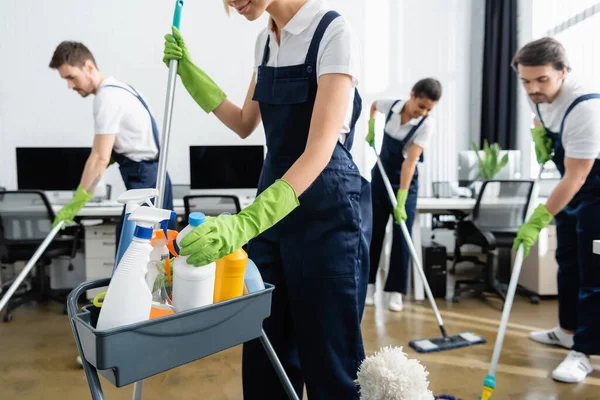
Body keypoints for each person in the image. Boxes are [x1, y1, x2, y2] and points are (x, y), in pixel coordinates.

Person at [161, 0, 371, 398]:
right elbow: (244, 123)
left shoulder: (332, 32)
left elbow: (320, 147)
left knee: (329, 354)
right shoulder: (264, 41)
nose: (233, 3)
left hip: (325, 209)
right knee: (265, 345)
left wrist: (246, 222)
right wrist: (191, 73)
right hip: (272, 210)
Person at [49, 41, 175, 366]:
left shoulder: (107, 98)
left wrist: (77, 199)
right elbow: (108, 159)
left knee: (134, 268)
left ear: (88, 65)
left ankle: (122, 345)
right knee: (147, 267)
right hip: (150, 181)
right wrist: (87, 188)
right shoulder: (121, 88)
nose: (70, 85)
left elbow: (100, 156)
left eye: (72, 77)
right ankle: (134, 340)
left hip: (147, 186)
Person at [512, 37, 600, 383]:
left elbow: (579, 175)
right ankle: (567, 330)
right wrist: (539, 137)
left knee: (594, 270)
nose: (532, 89)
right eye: (525, 81)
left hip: (594, 185)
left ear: (563, 73)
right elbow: (539, 116)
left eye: (542, 80)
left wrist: (537, 220)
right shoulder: (537, 93)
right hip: (572, 183)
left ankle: (585, 351)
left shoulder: (585, 108)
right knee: (567, 259)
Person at [365, 79, 442, 311]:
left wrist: (401, 198)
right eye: (421, 106)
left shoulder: (426, 124)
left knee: (402, 233)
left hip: (406, 180)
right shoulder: (394, 105)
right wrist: (371, 128)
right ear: (412, 95)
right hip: (380, 174)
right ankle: (368, 285)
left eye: (429, 109)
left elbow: (410, 163)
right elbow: (374, 105)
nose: (423, 112)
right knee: (374, 229)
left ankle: (395, 292)